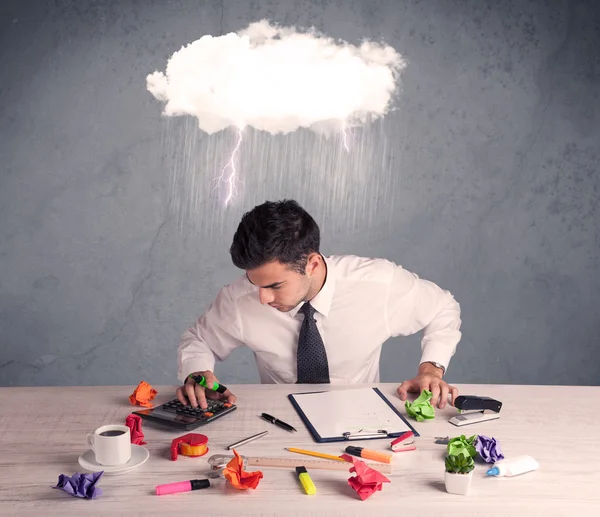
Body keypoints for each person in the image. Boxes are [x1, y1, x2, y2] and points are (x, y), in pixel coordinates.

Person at [176, 199, 462, 411]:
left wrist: (430, 370)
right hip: (279, 421)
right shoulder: (239, 300)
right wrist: (197, 371)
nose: (262, 298)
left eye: (275, 286)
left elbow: (443, 307)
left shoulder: (378, 285)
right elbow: (199, 339)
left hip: (363, 416)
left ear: (312, 264)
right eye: (255, 284)